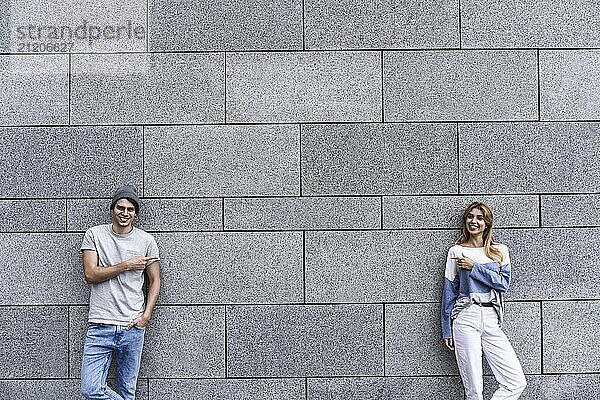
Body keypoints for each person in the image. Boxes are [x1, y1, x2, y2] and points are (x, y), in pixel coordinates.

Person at [80, 185, 161, 400]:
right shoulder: (94, 235)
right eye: (120, 207)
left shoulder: (146, 240)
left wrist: (146, 316)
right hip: (100, 324)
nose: (125, 213)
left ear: (136, 213)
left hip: (132, 326)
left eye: (130, 209)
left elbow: (155, 280)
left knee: (127, 391)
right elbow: (90, 274)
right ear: (113, 209)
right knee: (91, 389)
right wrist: (126, 265)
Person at [441, 202, 526, 400]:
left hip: (491, 318)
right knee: (474, 390)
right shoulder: (456, 251)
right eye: (470, 217)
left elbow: (503, 284)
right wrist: (446, 327)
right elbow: (449, 292)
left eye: (479, 218)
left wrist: (474, 267)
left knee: (516, 382)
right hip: (465, 316)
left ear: (487, 223)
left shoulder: (499, 251)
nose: (474, 221)